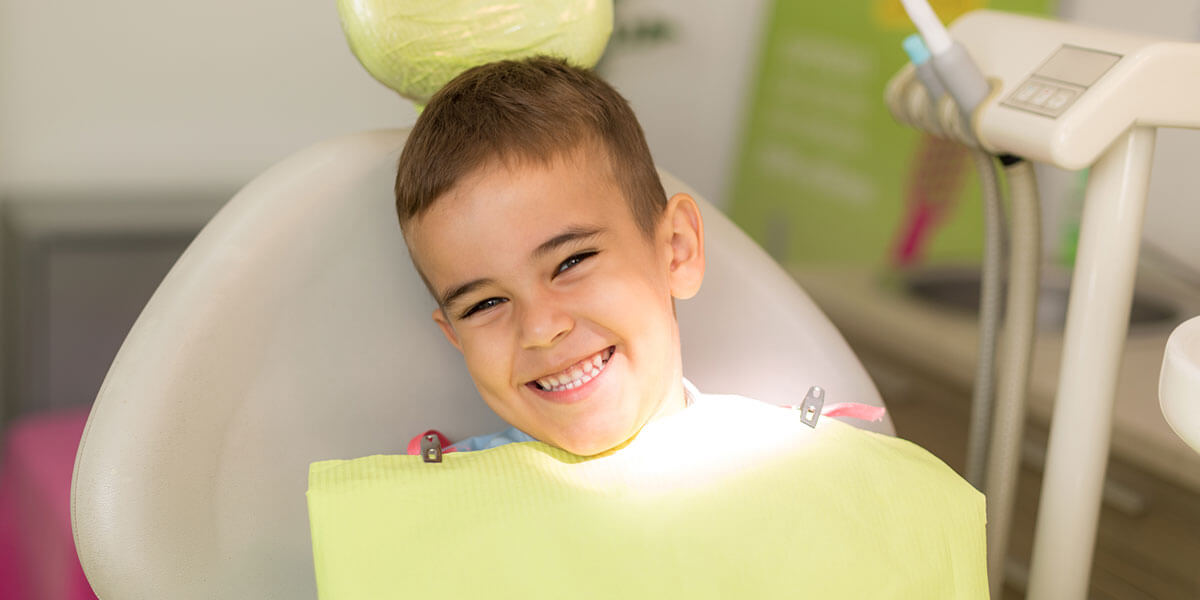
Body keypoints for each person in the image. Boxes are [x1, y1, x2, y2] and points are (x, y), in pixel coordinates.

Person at [395, 55, 706, 457]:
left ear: (677, 249)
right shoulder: (435, 493)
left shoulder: (787, 459)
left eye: (571, 263)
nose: (540, 329)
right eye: (485, 304)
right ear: (455, 335)